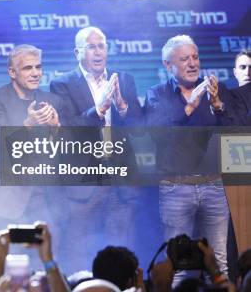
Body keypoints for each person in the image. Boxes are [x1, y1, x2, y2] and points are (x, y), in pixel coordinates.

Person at [49, 26, 143, 272]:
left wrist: (123, 108)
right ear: (77, 52)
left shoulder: (124, 80)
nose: (99, 52)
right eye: (92, 47)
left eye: (102, 46)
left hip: (121, 179)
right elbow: (67, 129)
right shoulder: (62, 84)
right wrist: (99, 110)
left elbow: (140, 127)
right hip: (84, 181)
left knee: (123, 250)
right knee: (79, 248)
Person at [145, 35, 230, 279]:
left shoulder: (214, 89)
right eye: (184, 59)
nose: (193, 63)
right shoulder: (157, 94)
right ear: (168, 65)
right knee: (179, 266)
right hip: (176, 188)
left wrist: (217, 105)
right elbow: (157, 133)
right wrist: (190, 106)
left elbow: (231, 130)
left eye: (195, 57)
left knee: (219, 263)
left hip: (214, 187)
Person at [0, 44, 67, 229]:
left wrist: (55, 129)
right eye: (28, 68)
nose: (35, 73)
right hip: (7, 202)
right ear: (12, 72)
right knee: (10, 257)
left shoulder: (54, 101)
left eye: (38, 67)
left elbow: (65, 154)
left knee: (46, 255)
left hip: (46, 201)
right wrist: (28, 124)